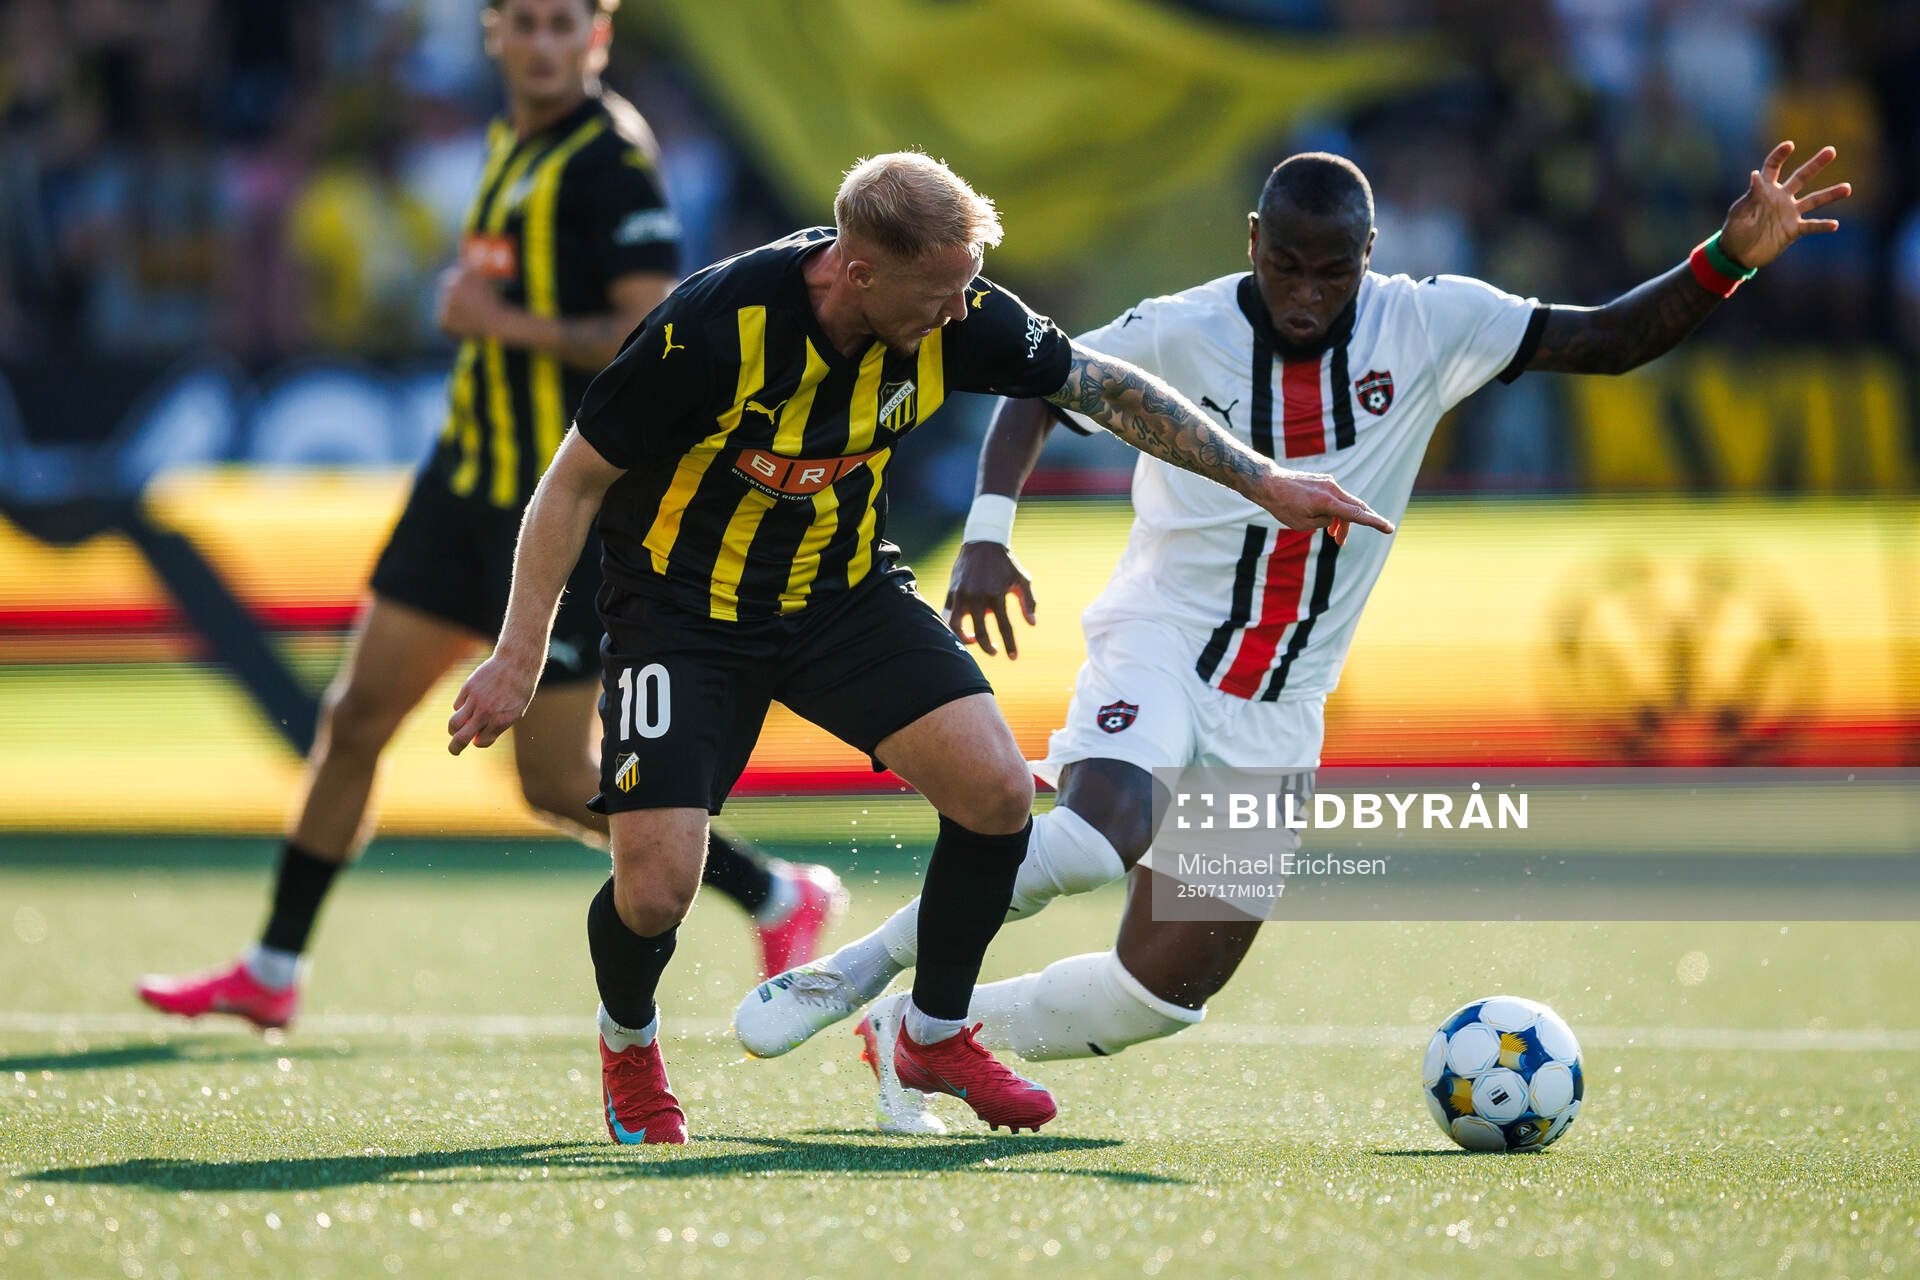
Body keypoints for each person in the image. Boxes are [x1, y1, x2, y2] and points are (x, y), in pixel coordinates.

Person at [733, 143, 1852, 1133]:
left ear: (1373, 252)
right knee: (1104, 825)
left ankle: (918, 1030)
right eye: (1288, 265)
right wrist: (988, 530)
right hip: (1165, 639)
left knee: (1160, 993)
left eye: (1336, 268)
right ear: (1254, 242)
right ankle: (862, 965)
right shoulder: (1184, 328)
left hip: (1281, 702)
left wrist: (1729, 256)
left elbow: (1607, 339)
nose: (1309, 292)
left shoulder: (1434, 322)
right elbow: (1037, 386)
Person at [442, 150, 1391, 1144]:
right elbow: (574, 481)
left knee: (995, 792)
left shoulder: (959, 310)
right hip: (683, 616)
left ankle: (934, 1033)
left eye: (968, 284)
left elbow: (1105, 388)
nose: (961, 310)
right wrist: (519, 652)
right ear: (859, 272)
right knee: (656, 888)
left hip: (840, 595)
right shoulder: (714, 327)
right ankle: (629, 1043)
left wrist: (1265, 482)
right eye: (942, 292)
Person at [136, 0, 845, 1033]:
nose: (547, 43)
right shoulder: (513, 138)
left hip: (552, 513)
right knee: (352, 720)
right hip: (462, 486)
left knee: (557, 782)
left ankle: (778, 892)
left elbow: (650, 340)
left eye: (568, 26)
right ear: (495, 36)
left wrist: (494, 319)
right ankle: (273, 966)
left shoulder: (612, 164)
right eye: (527, 24)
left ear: (597, 41)